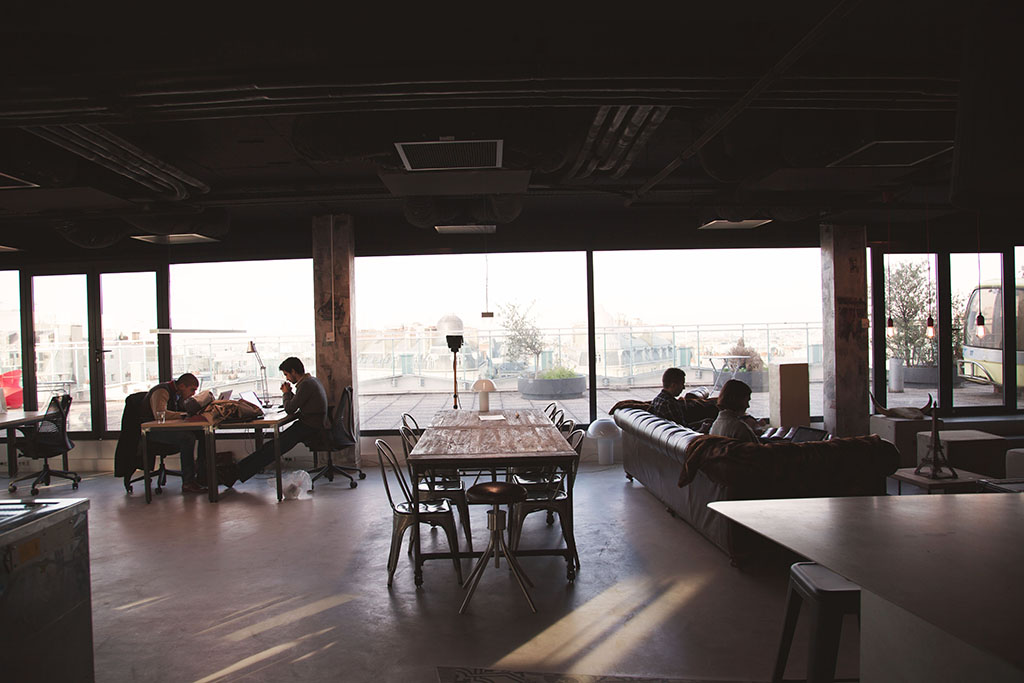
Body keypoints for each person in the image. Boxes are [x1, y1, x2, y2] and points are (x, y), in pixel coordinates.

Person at [231, 357, 329, 485]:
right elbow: (298, 403)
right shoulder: (311, 381)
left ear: (293, 371)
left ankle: (236, 473)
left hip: (309, 427)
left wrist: (286, 393)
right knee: (270, 447)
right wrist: (290, 394)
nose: (287, 378)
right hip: (311, 424)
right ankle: (237, 472)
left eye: (286, 374)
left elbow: (290, 409)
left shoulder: (306, 384)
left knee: (273, 448)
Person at [140, 373, 208, 493]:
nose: (193, 393)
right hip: (152, 432)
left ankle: (203, 475)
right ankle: (188, 482)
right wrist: (184, 415)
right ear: (182, 386)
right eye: (192, 390)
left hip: (165, 429)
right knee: (188, 438)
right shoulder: (162, 391)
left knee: (203, 433)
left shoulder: (177, 394)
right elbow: (160, 414)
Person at [709, 379, 760, 443]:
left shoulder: (715, 425)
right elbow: (758, 450)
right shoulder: (741, 428)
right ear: (737, 400)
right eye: (746, 401)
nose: (748, 406)